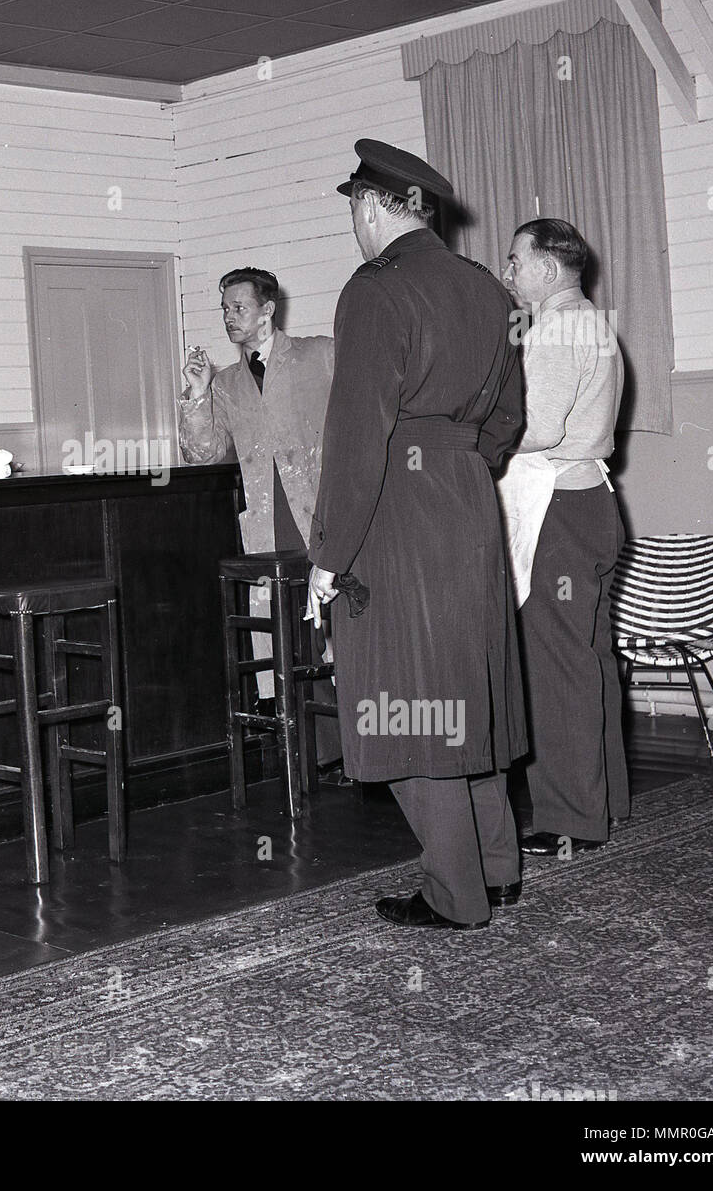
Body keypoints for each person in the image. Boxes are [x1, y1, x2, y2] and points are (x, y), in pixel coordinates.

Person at [307, 139, 527, 930]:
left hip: (399, 506)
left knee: (404, 695)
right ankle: (498, 870)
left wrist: (327, 558)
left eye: (353, 214)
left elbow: (357, 432)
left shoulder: (375, 290)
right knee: (468, 684)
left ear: (370, 208)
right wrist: (462, 464)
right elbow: (507, 418)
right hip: (469, 501)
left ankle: (455, 892)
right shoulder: (486, 289)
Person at [179, 267, 341, 770]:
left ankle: (354, 753)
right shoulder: (225, 382)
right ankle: (306, 756)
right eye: (224, 309)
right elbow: (201, 454)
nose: (229, 318)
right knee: (282, 634)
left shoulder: (320, 354)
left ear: (268, 309)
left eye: (238, 307)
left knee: (333, 631)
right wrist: (198, 394)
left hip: (323, 516)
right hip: (267, 527)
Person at [501, 219, 628, 856]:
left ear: (548, 270)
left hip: (558, 510)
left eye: (515, 260)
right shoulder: (597, 324)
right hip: (594, 504)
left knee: (555, 669)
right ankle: (606, 804)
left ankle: (571, 819)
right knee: (592, 660)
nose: (508, 272)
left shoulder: (554, 329)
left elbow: (537, 427)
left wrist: (472, 432)